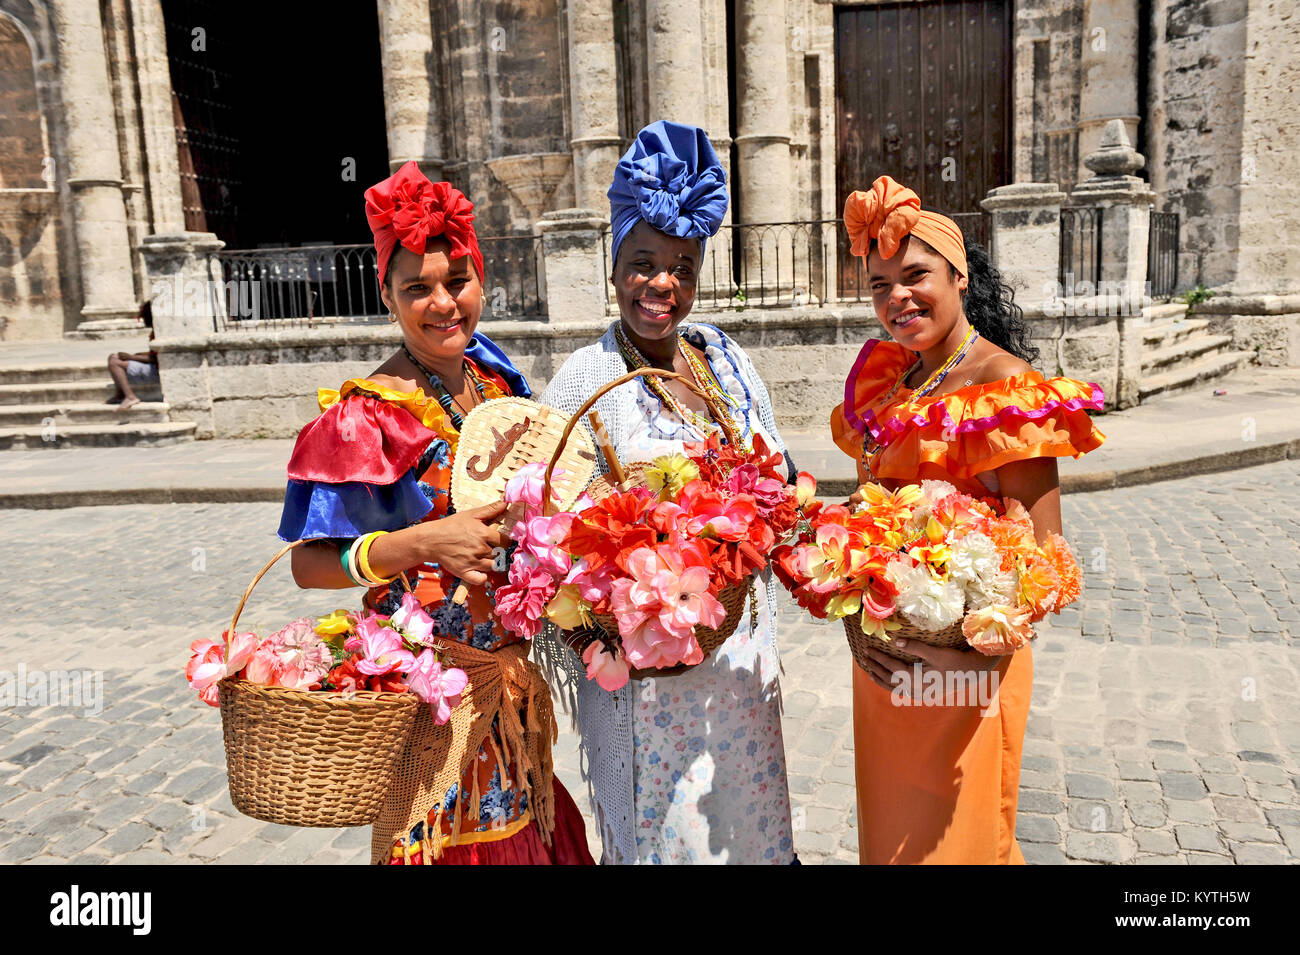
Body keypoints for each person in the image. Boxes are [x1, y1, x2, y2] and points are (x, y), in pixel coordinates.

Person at [277, 161, 593, 865]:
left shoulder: (495, 382)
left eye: (457, 281)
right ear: (389, 296)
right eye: (417, 288)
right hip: (429, 699)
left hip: (507, 689)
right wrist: (425, 541)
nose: (443, 302)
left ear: (481, 278)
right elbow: (309, 564)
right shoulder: (367, 416)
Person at [537, 121, 797, 864]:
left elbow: (775, 479)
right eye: (644, 261)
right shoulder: (585, 382)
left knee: (744, 832)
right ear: (615, 264)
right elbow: (545, 548)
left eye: (683, 266)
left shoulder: (725, 357)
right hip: (648, 690)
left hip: (737, 673)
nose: (663, 284)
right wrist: (609, 638)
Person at [829, 175, 1107, 864]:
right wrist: (851, 620)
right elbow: (862, 522)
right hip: (884, 672)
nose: (898, 297)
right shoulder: (890, 385)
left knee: (961, 848)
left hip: (966, 679)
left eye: (916, 275)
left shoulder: (1003, 385)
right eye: (880, 284)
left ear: (959, 275)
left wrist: (959, 646)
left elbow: (1046, 560)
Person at [108, 302, 158, 410]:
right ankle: (120, 394)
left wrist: (131, 357)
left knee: (114, 362)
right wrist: (140, 355)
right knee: (113, 357)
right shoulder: (157, 331)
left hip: (156, 371)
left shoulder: (157, 333)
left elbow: (155, 359)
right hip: (155, 367)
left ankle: (130, 397)